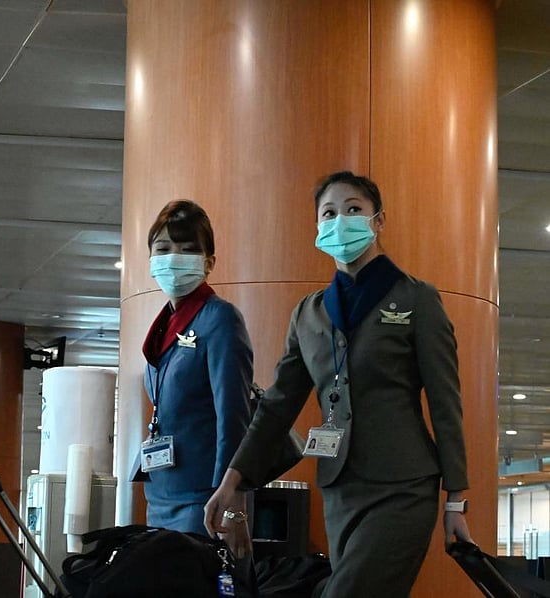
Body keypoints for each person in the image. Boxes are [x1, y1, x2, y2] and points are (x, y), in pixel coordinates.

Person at [204, 171, 473, 597]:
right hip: (340, 489)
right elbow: (276, 406)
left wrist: (456, 497)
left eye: (354, 210)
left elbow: (446, 401)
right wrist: (233, 479)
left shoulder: (416, 299)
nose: (340, 221)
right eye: (329, 213)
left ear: (378, 221)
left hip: (403, 487)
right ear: (317, 226)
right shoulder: (309, 314)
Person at [134, 200, 254, 560]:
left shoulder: (219, 319)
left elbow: (233, 415)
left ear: (209, 262)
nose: (173, 258)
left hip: (203, 499)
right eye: (164, 248)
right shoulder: (164, 325)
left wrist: (231, 500)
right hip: (161, 495)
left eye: (188, 250)